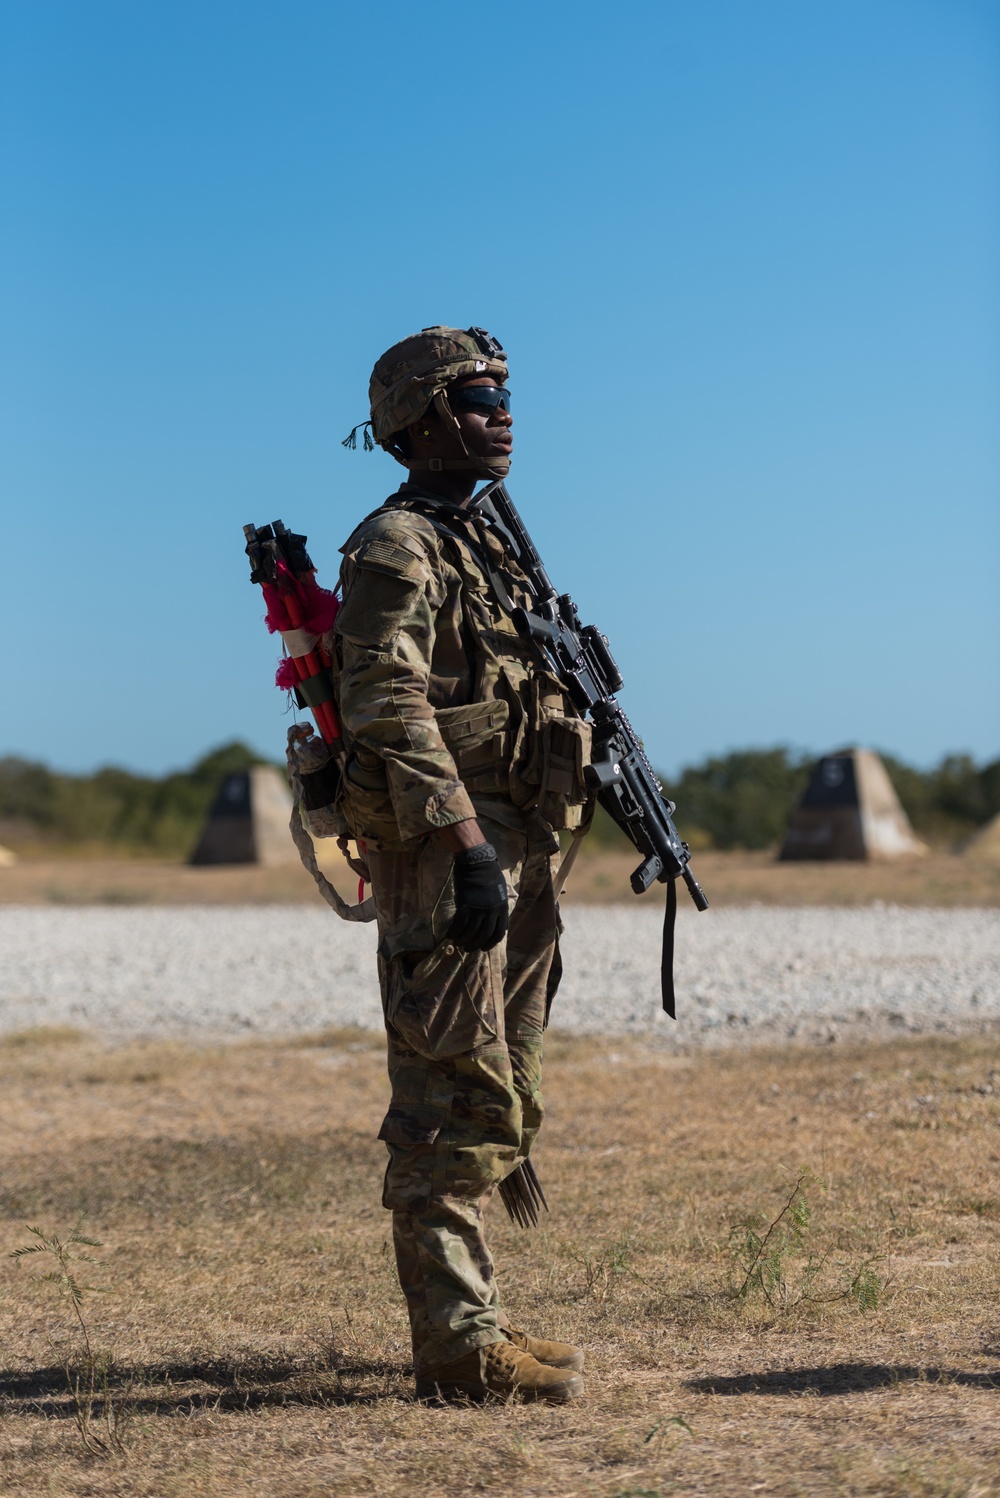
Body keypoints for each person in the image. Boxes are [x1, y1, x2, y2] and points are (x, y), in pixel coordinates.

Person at [330, 326, 592, 1403]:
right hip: (453, 853)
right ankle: (455, 1350)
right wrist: (465, 843)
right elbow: (386, 703)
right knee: (447, 1085)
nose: (504, 412)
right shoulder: (396, 545)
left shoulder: (484, 541)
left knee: (507, 1075)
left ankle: (476, 1315)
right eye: (480, 395)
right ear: (421, 420)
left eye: (504, 393)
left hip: (518, 845)